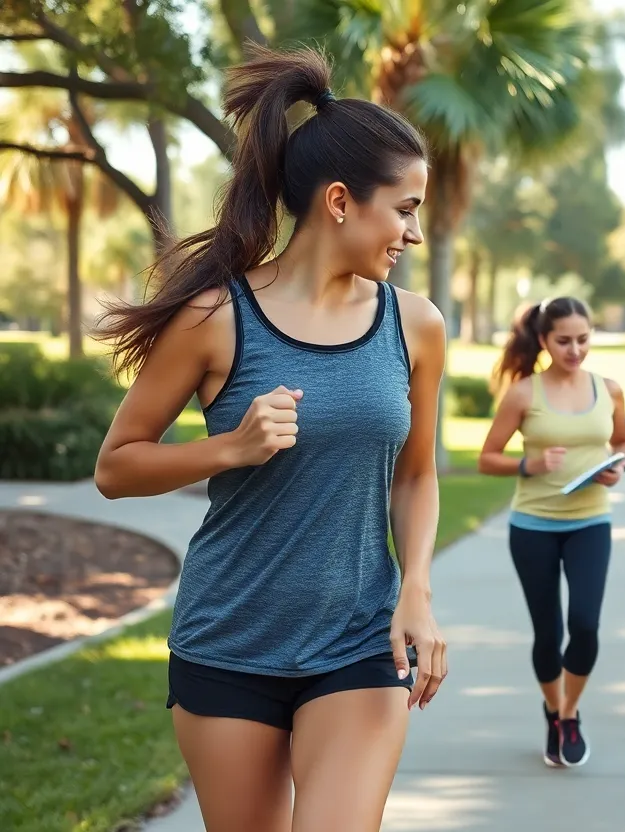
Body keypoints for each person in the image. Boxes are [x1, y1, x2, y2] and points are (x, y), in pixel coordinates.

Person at [91, 43, 448, 832]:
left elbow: (416, 476)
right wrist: (229, 448)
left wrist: (415, 590)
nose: (414, 233)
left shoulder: (415, 326)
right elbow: (116, 468)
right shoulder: (216, 319)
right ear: (341, 201)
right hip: (230, 643)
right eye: (406, 208)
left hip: (359, 640)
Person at [477, 297, 625, 767]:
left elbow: (623, 440)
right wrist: (531, 463)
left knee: (585, 625)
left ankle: (569, 712)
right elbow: (487, 457)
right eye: (563, 341)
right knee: (549, 633)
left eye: (583, 339)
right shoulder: (525, 393)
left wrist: (618, 464)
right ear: (544, 341)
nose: (575, 349)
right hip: (534, 526)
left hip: (591, 521)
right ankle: (554, 711)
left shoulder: (609, 389)